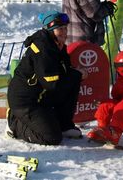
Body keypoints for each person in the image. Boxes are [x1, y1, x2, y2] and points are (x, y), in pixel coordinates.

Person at [6, 11, 83, 145]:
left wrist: (75, 74)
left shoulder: (57, 46)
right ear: (50, 30)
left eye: (65, 28)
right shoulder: (43, 49)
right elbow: (52, 83)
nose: (64, 32)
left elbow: (64, 73)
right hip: (25, 102)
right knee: (52, 137)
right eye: (60, 29)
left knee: (73, 79)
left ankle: (64, 124)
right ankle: (14, 123)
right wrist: (77, 74)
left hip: (42, 97)